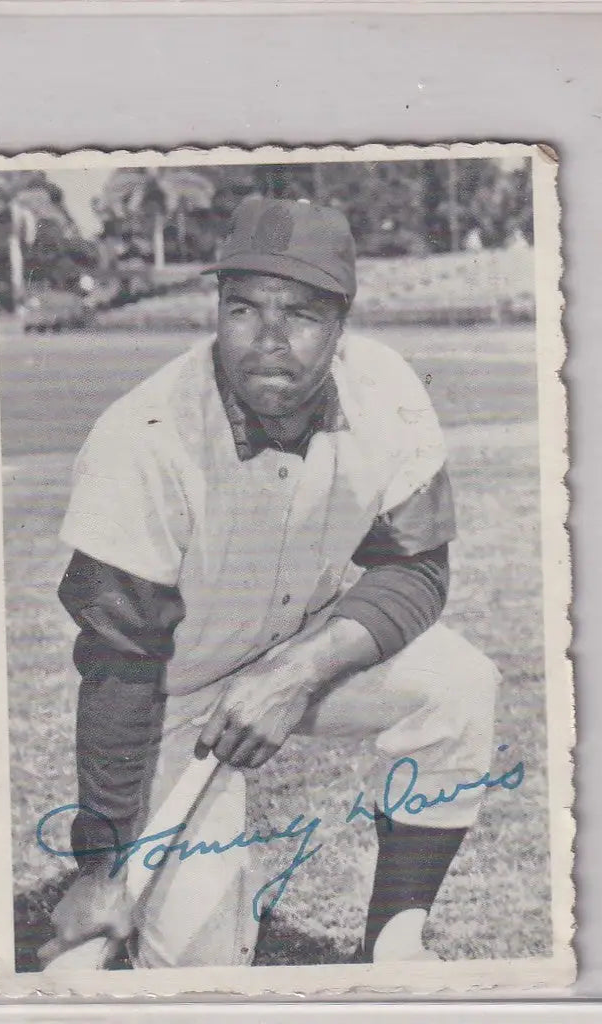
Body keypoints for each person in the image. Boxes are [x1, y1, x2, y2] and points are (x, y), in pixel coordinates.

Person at [47, 195, 499, 969]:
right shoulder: (144, 435)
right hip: (170, 693)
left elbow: (417, 566)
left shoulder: (385, 389)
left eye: (300, 313)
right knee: (204, 971)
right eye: (243, 308)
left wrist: (299, 671)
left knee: (459, 683)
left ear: (341, 325)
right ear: (216, 312)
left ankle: (393, 944)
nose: (267, 340)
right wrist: (101, 865)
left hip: (307, 639)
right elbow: (121, 661)